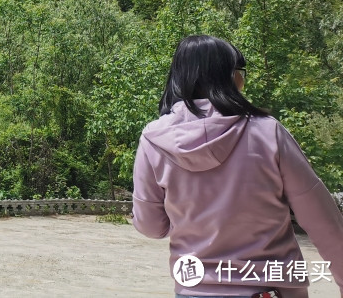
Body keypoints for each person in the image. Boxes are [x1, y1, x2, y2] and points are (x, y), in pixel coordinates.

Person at [132, 34, 343, 297]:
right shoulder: (267, 132)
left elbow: (152, 227)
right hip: (270, 290)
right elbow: (322, 220)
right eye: (241, 71)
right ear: (230, 77)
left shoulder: (154, 139)